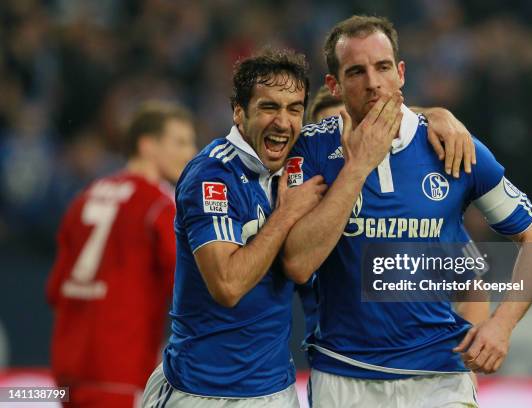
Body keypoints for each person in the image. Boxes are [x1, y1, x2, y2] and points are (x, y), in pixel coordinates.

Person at [140, 48, 476, 407]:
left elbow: (363, 119)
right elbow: (228, 285)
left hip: (276, 391)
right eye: (269, 107)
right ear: (239, 112)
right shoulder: (213, 175)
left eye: (294, 109)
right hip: (202, 391)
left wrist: (437, 115)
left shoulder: (295, 161)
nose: (283, 122)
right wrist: (286, 215)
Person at [282, 15, 532, 407]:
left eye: (383, 67)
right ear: (334, 85)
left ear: (401, 72)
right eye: (356, 71)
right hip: (344, 376)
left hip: (439, 380)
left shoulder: (453, 145)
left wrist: (502, 325)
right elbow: (298, 264)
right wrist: (358, 166)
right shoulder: (312, 151)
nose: (373, 82)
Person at [46, 101, 197, 408]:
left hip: (68, 365)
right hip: (121, 366)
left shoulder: (85, 197)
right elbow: (185, 289)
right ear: (147, 145)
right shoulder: (159, 204)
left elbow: (54, 289)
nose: (191, 153)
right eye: (180, 142)